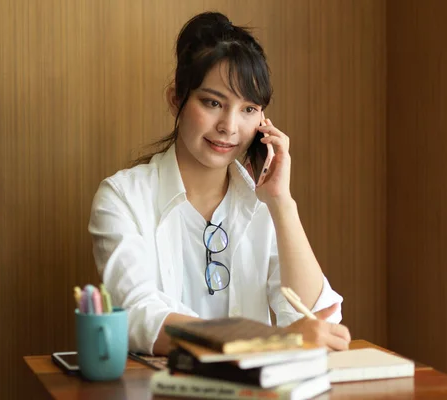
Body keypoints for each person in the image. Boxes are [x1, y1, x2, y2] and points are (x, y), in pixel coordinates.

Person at [88, 11, 351, 355]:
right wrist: (269, 341)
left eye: (248, 109)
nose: (229, 126)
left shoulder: (262, 206)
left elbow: (321, 323)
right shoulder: (122, 197)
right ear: (176, 99)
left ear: (262, 120)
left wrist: (282, 204)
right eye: (213, 103)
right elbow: (138, 317)